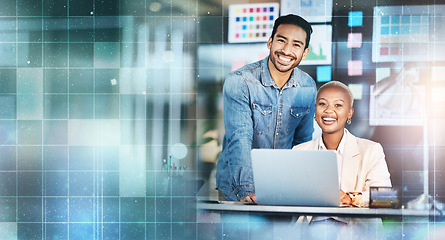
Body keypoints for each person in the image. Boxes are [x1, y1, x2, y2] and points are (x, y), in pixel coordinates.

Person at [216, 14, 317, 202]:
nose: (286, 50)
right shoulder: (240, 81)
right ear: (270, 42)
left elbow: (303, 143)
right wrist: (246, 190)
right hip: (236, 190)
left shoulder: (308, 86)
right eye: (281, 40)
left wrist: (300, 186)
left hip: (281, 188)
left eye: (296, 44)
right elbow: (240, 139)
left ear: (305, 52)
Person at [292, 81, 392, 239]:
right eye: (322, 104)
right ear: (315, 110)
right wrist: (269, 196)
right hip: (310, 233)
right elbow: (292, 196)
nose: (328, 110)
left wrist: (351, 198)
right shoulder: (299, 151)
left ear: (350, 112)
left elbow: (386, 198)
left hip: (354, 232)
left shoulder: (371, 150)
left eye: (338, 105)